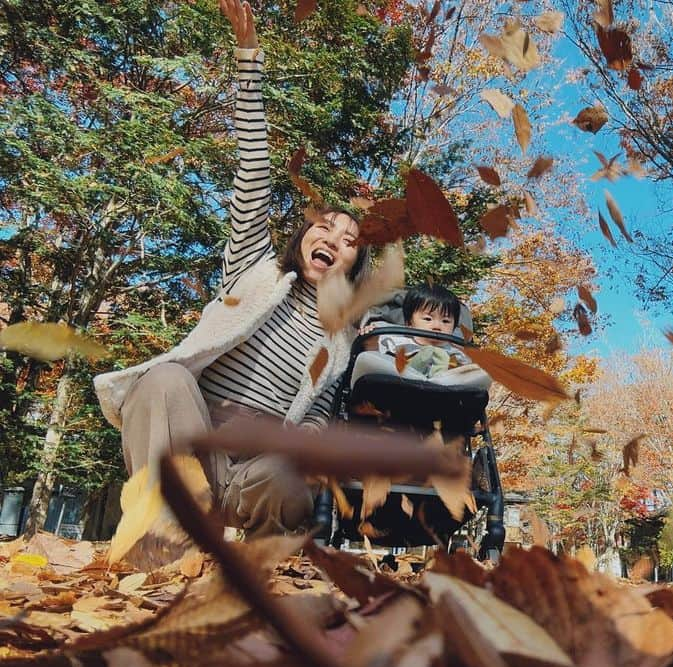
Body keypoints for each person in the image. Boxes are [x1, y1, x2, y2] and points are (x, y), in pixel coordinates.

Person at [94, 0, 367, 542]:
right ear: (303, 238)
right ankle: (166, 530)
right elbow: (254, 171)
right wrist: (248, 58)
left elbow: (318, 419)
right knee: (164, 377)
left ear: (355, 265)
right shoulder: (254, 270)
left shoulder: (344, 337)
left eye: (349, 241)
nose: (333, 240)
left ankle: (246, 560)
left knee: (290, 478)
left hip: (256, 470)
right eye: (324, 228)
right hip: (191, 440)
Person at [362, 284, 473, 379]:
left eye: (446, 321)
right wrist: (371, 339)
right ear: (409, 323)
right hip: (396, 388)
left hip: (443, 396)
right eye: (428, 319)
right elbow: (374, 361)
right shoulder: (396, 338)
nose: (437, 327)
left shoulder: (456, 350)